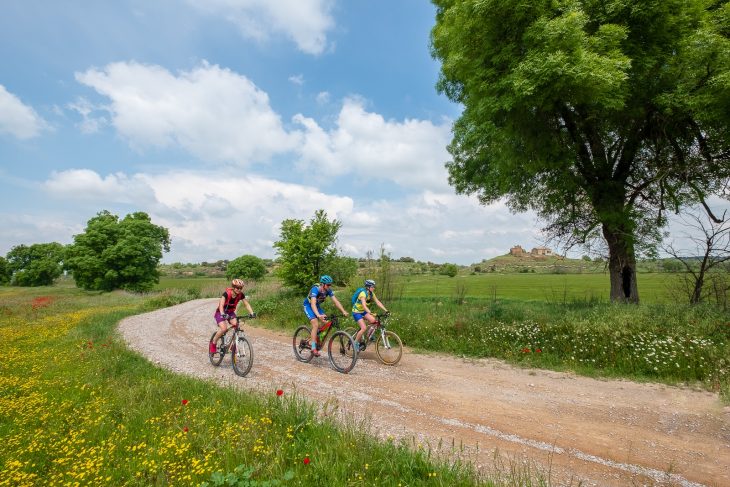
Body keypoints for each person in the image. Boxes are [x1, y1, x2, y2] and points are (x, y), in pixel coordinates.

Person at [303, 275, 348, 357]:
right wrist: (318, 315)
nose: (329, 286)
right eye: (328, 285)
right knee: (315, 324)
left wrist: (343, 311)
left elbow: (336, 301)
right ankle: (313, 348)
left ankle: (317, 335)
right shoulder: (315, 289)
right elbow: (312, 304)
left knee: (327, 323)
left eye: (330, 285)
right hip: (309, 306)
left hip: (317, 307)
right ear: (322, 284)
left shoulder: (328, 290)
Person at [210, 278, 255, 354]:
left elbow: (246, 304)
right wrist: (223, 314)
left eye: (241, 288)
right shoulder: (226, 294)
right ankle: (213, 343)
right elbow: (221, 305)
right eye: (237, 288)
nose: (239, 290)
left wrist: (252, 313)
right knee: (223, 329)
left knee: (236, 325)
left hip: (230, 312)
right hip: (220, 312)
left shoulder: (240, 295)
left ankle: (232, 346)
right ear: (233, 287)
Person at [351, 279, 388, 350]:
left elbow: (378, 302)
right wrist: (370, 312)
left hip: (363, 311)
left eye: (374, 286)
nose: (374, 288)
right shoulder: (363, 294)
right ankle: (355, 343)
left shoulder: (371, 294)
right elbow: (364, 306)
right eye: (372, 286)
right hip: (356, 311)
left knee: (373, 320)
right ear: (368, 287)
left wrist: (386, 310)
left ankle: (369, 335)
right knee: (363, 328)